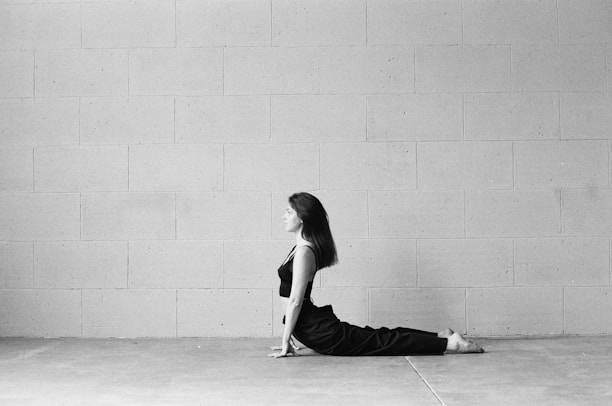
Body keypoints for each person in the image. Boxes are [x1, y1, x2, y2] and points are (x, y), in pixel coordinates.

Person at [268, 192, 484, 358]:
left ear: (303, 217)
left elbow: (295, 301)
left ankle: (452, 344)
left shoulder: (305, 251)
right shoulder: (300, 248)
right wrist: (291, 332)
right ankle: (439, 337)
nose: (283, 216)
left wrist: (286, 339)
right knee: (378, 336)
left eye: (289, 212)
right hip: (308, 328)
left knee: (379, 341)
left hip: (316, 329)